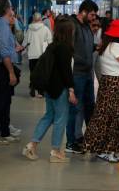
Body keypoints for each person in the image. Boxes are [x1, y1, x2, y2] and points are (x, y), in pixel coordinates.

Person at [22, 16, 78, 162]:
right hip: (60, 89)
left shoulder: (53, 46)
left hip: (49, 88)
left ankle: (32, 145)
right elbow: (66, 72)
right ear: (68, 32)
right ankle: (56, 151)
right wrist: (71, 89)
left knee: (49, 116)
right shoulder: (65, 48)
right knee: (60, 119)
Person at [84, 19, 119, 163]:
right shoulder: (117, 47)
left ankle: (113, 151)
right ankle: (110, 151)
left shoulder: (105, 46)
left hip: (109, 84)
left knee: (106, 118)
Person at [0, 0, 22, 144]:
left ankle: (5, 131)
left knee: (6, 100)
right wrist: (11, 73)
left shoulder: (1, 24)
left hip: (2, 65)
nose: (13, 10)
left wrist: (15, 49)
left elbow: (5, 47)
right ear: (7, 9)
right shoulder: (1, 25)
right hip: (3, 68)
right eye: (11, 7)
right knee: (0, 101)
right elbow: (3, 52)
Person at [66, 0, 98, 154]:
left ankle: (88, 138)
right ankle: (71, 142)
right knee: (74, 108)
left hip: (87, 74)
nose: (93, 18)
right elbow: (70, 50)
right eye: (92, 14)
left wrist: (96, 47)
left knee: (89, 106)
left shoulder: (86, 27)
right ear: (83, 12)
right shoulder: (73, 26)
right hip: (77, 73)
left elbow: (86, 47)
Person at [23, 12, 53, 97]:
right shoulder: (45, 29)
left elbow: (25, 41)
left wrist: (22, 48)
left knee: (33, 72)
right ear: (40, 19)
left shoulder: (29, 29)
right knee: (42, 73)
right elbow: (50, 41)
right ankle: (40, 92)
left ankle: (32, 88)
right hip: (42, 54)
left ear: (33, 19)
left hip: (32, 54)